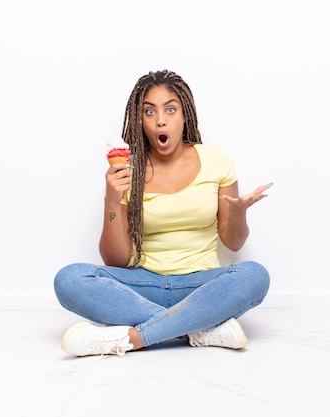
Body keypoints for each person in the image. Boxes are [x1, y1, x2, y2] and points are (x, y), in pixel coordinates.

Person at [54, 69, 271, 357]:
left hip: (200, 284)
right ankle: (197, 327)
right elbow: (115, 260)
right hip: (144, 284)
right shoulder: (128, 170)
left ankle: (134, 338)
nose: (160, 120)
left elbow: (233, 243)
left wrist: (239, 213)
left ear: (185, 115)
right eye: (149, 111)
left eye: (170, 109)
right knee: (68, 279)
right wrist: (112, 198)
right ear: (139, 120)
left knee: (255, 276)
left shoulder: (216, 160)